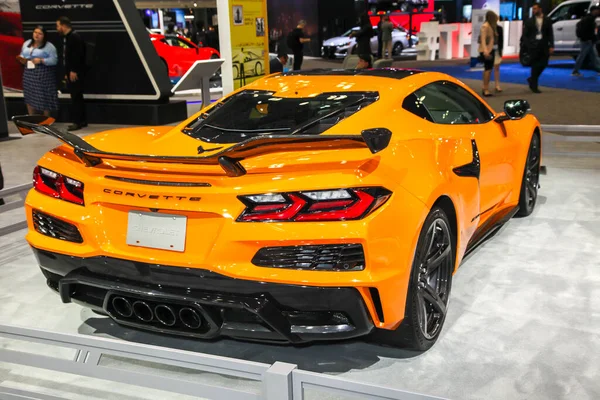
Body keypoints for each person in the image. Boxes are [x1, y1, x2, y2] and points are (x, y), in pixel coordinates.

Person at [16, 25, 59, 116]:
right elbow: (22, 54)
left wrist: (41, 60)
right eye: (35, 32)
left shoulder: (49, 46)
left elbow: (54, 60)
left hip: (43, 73)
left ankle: (46, 119)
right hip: (28, 72)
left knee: (44, 96)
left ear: (44, 36)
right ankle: (32, 117)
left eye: (40, 33)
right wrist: (22, 59)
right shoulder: (26, 43)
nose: (37, 35)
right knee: (29, 95)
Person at [56, 16, 87, 131]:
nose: (57, 28)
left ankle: (77, 121)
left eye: (58, 26)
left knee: (76, 97)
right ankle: (82, 120)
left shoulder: (74, 37)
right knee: (77, 96)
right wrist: (66, 72)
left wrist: (73, 70)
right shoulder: (68, 38)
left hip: (75, 73)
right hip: (71, 72)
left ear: (64, 26)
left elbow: (78, 56)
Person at [521, 3, 554, 93]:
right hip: (533, 45)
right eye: (533, 9)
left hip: (544, 44)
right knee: (535, 65)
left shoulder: (547, 19)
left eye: (535, 8)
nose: (534, 10)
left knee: (544, 63)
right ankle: (534, 86)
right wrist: (528, 45)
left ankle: (532, 79)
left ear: (540, 9)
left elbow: (550, 33)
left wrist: (551, 45)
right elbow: (525, 35)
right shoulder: (529, 21)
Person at [572, 5, 600, 76]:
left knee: (593, 56)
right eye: (597, 10)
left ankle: (598, 69)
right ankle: (575, 71)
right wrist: (591, 38)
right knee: (583, 56)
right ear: (594, 11)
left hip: (588, 40)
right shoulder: (589, 19)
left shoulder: (588, 18)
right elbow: (589, 31)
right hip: (587, 41)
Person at [479, 11, 499, 97]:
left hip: (491, 49)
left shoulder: (491, 26)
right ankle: (485, 88)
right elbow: (483, 40)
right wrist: (486, 51)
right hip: (486, 51)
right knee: (488, 69)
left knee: (489, 69)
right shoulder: (485, 26)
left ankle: (485, 87)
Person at [494, 22, 504, 92]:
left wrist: (501, 51)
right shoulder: (486, 28)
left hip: (497, 50)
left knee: (497, 68)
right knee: (487, 69)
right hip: (489, 50)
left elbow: (501, 40)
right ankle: (485, 86)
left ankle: (497, 85)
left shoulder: (499, 28)